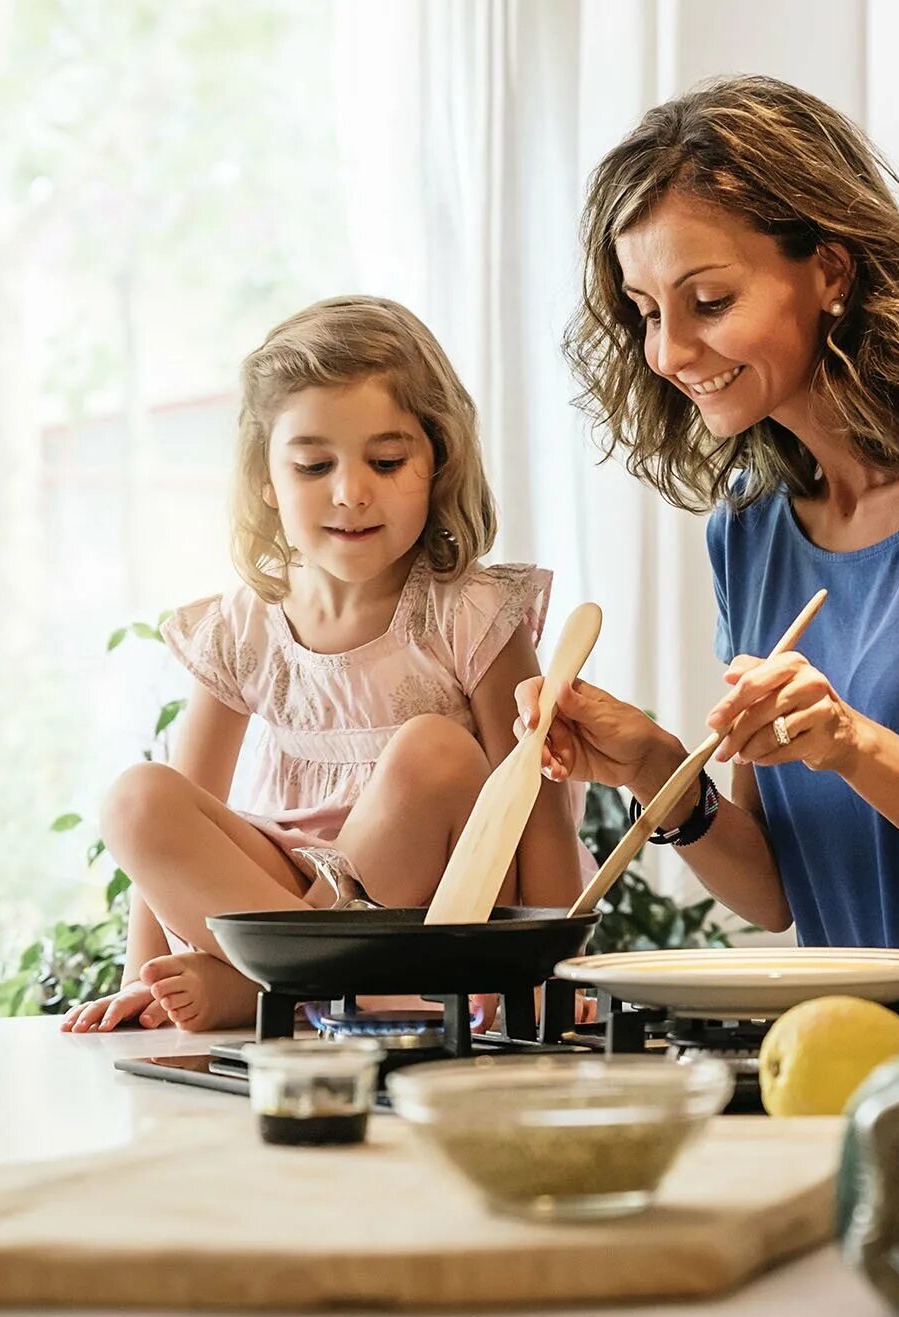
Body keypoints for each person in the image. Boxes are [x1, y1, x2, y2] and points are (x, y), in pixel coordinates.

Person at [522, 76, 899, 997]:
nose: (666, 353)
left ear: (829, 271)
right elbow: (776, 890)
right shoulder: (748, 529)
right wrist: (662, 769)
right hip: (843, 1051)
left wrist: (852, 744)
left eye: (707, 301)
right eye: (647, 312)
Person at [61, 296, 583, 1033]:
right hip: (287, 893)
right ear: (267, 480)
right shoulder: (241, 625)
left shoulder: (470, 613)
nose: (350, 491)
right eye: (313, 464)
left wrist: (545, 983)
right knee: (139, 798)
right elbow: (185, 810)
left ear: (437, 463)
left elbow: (537, 811)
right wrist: (138, 977)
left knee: (432, 750)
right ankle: (315, 987)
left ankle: (279, 987)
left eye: (387, 460)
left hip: (426, 921)